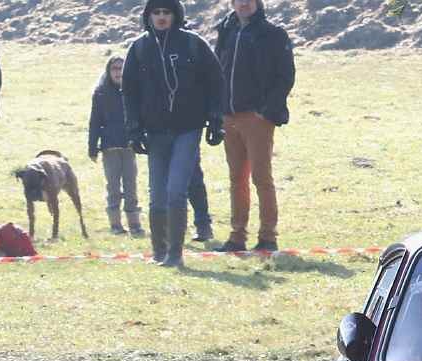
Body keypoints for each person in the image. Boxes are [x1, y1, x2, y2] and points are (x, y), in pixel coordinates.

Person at [121, 0, 221, 267]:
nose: (162, 17)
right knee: (157, 195)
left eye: (167, 12)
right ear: (149, 16)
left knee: (176, 189)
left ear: (176, 15)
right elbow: (128, 91)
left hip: (188, 129)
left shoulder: (193, 43)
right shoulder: (139, 48)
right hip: (154, 132)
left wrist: (215, 118)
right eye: (157, 12)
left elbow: (215, 80)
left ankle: (175, 254)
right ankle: (159, 251)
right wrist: (133, 128)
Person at [214, 0, 293, 253]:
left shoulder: (273, 34)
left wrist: (265, 111)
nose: (244, 3)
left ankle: (267, 238)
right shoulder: (225, 30)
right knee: (237, 179)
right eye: (239, 0)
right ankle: (237, 238)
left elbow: (285, 75)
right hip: (229, 116)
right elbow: (217, 70)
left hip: (257, 119)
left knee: (261, 178)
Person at [88, 54, 141, 235]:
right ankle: (115, 224)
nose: (118, 72)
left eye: (121, 68)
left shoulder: (133, 90)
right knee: (113, 186)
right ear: (108, 71)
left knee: (131, 185)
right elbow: (94, 121)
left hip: (129, 146)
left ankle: (134, 224)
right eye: (114, 69)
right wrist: (92, 147)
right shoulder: (100, 93)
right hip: (109, 147)